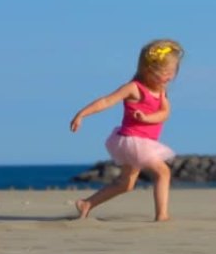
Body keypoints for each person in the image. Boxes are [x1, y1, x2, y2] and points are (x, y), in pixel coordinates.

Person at [70, 39, 184, 221]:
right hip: (133, 142)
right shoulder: (135, 88)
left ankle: (87, 204)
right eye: (165, 73)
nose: (170, 77)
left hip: (142, 144)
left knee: (126, 184)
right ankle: (162, 215)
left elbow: (164, 113)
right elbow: (106, 101)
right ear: (149, 70)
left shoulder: (161, 92)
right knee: (163, 172)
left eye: (173, 72)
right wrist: (82, 114)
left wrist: (147, 118)